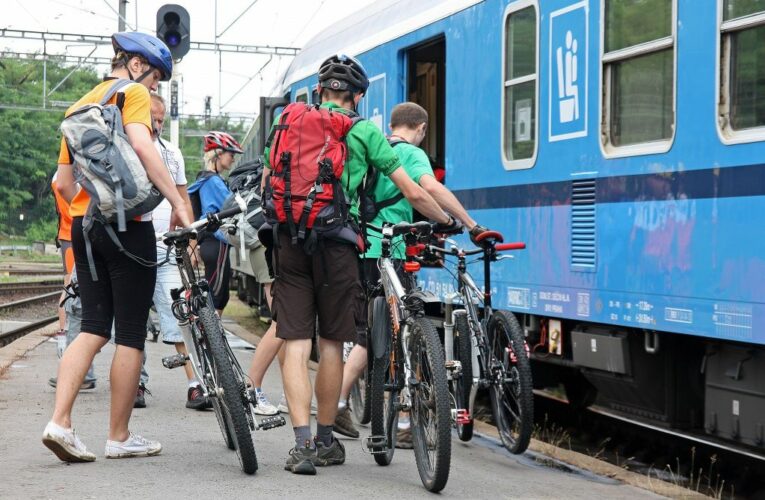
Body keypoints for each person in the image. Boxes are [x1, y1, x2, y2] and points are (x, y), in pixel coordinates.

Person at [263, 54, 458, 475]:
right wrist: (447, 222)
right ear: (358, 96)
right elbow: (414, 191)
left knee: (296, 344)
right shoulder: (365, 131)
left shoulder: (289, 121)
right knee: (332, 342)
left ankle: (302, 446)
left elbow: (267, 182)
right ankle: (327, 441)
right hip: (337, 245)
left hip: (289, 241)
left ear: (319, 91)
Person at [42, 31, 191, 463]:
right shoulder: (132, 94)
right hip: (130, 229)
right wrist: (179, 203)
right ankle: (119, 436)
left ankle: (60, 423)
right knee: (129, 335)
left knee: (90, 328)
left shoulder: (80, 104)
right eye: (156, 78)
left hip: (86, 229)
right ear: (138, 65)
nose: (155, 87)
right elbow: (144, 148)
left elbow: (63, 183)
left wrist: (92, 209)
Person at [333, 102, 492, 444]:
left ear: (392, 124)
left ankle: (339, 402)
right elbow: (428, 189)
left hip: (363, 251)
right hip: (392, 254)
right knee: (407, 330)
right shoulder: (410, 153)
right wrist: (459, 222)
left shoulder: (375, 149)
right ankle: (405, 422)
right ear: (420, 128)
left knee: (366, 334)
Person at [145, 93, 206, 410]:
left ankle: (196, 385)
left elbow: (183, 201)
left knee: (182, 316)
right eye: (152, 118)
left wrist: (191, 241)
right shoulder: (128, 150)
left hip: (165, 248)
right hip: (134, 250)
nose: (156, 125)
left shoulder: (172, 154)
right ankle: (137, 384)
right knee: (134, 322)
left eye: (160, 119)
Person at [187, 131, 243, 315]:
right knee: (216, 298)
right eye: (230, 154)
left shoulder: (204, 178)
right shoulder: (214, 181)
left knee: (212, 294)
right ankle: (210, 340)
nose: (233, 159)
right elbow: (234, 205)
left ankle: (208, 338)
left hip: (208, 244)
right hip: (216, 243)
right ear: (218, 153)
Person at [49, 174, 97, 391]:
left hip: (72, 232)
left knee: (71, 291)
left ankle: (70, 355)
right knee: (72, 291)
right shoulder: (69, 174)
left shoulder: (63, 174)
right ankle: (70, 353)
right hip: (74, 232)